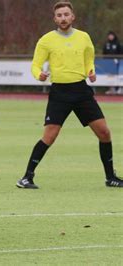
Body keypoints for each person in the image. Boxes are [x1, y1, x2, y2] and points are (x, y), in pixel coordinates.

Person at [16, 1, 123, 189]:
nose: (63, 18)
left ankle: (110, 177)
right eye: (59, 15)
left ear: (72, 17)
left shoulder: (83, 37)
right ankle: (26, 178)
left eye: (66, 14)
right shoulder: (46, 40)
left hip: (82, 91)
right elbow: (35, 65)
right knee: (50, 136)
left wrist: (90, 71)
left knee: (104, 133)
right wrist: (38, 75)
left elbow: (89, 58)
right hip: (60, 93)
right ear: (54, 19)